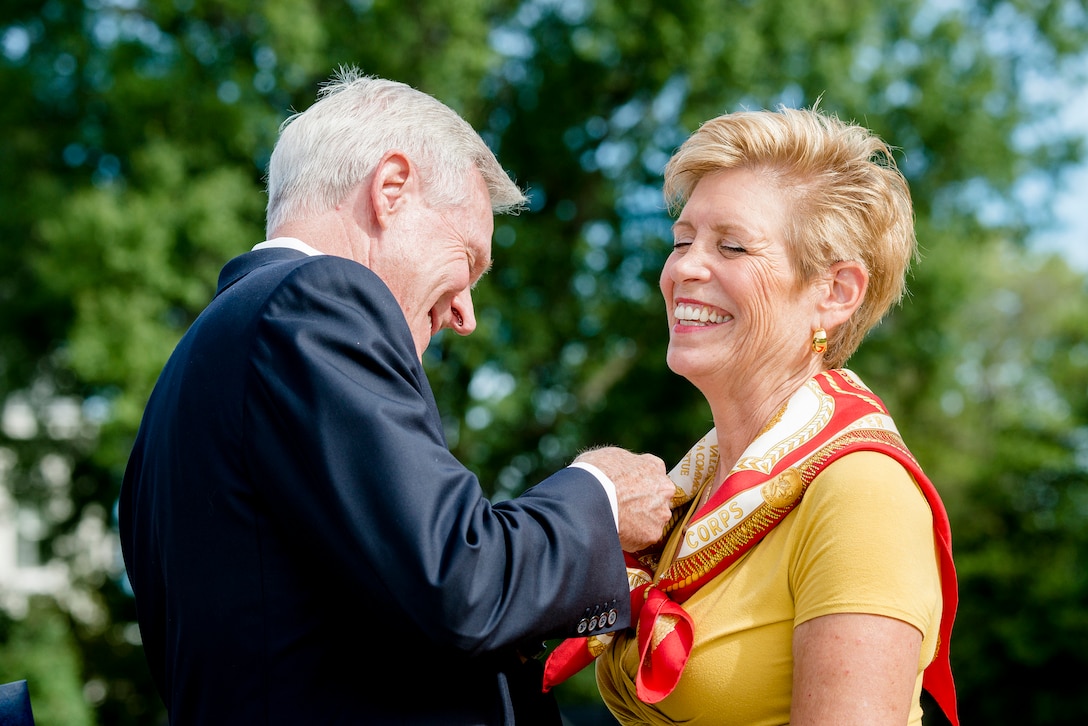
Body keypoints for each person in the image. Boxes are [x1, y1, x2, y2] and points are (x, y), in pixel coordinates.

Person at [118, 67, 677, 725]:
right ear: (391, 190)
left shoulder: (201, 369)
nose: (465, 313)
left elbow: (391, 606)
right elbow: (457, 580)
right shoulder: (315, 302)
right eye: (468, 260)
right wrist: (599, 498)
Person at [543, 107, 959, 725]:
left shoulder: (862, 493)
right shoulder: (691, 491)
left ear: (836, 291)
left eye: (731, 246)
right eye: (682, 240)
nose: (683, 267)